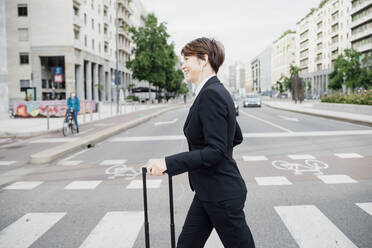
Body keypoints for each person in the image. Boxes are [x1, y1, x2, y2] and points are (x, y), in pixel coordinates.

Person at [147, 38, 255, 248]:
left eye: (187, 59)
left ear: (204, 60)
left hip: (220, 195)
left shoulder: (211, 95)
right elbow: (235, 136)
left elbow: (216, 150)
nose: (183, 65)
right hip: (209, 191)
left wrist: (168, 163)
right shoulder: (217, 91)